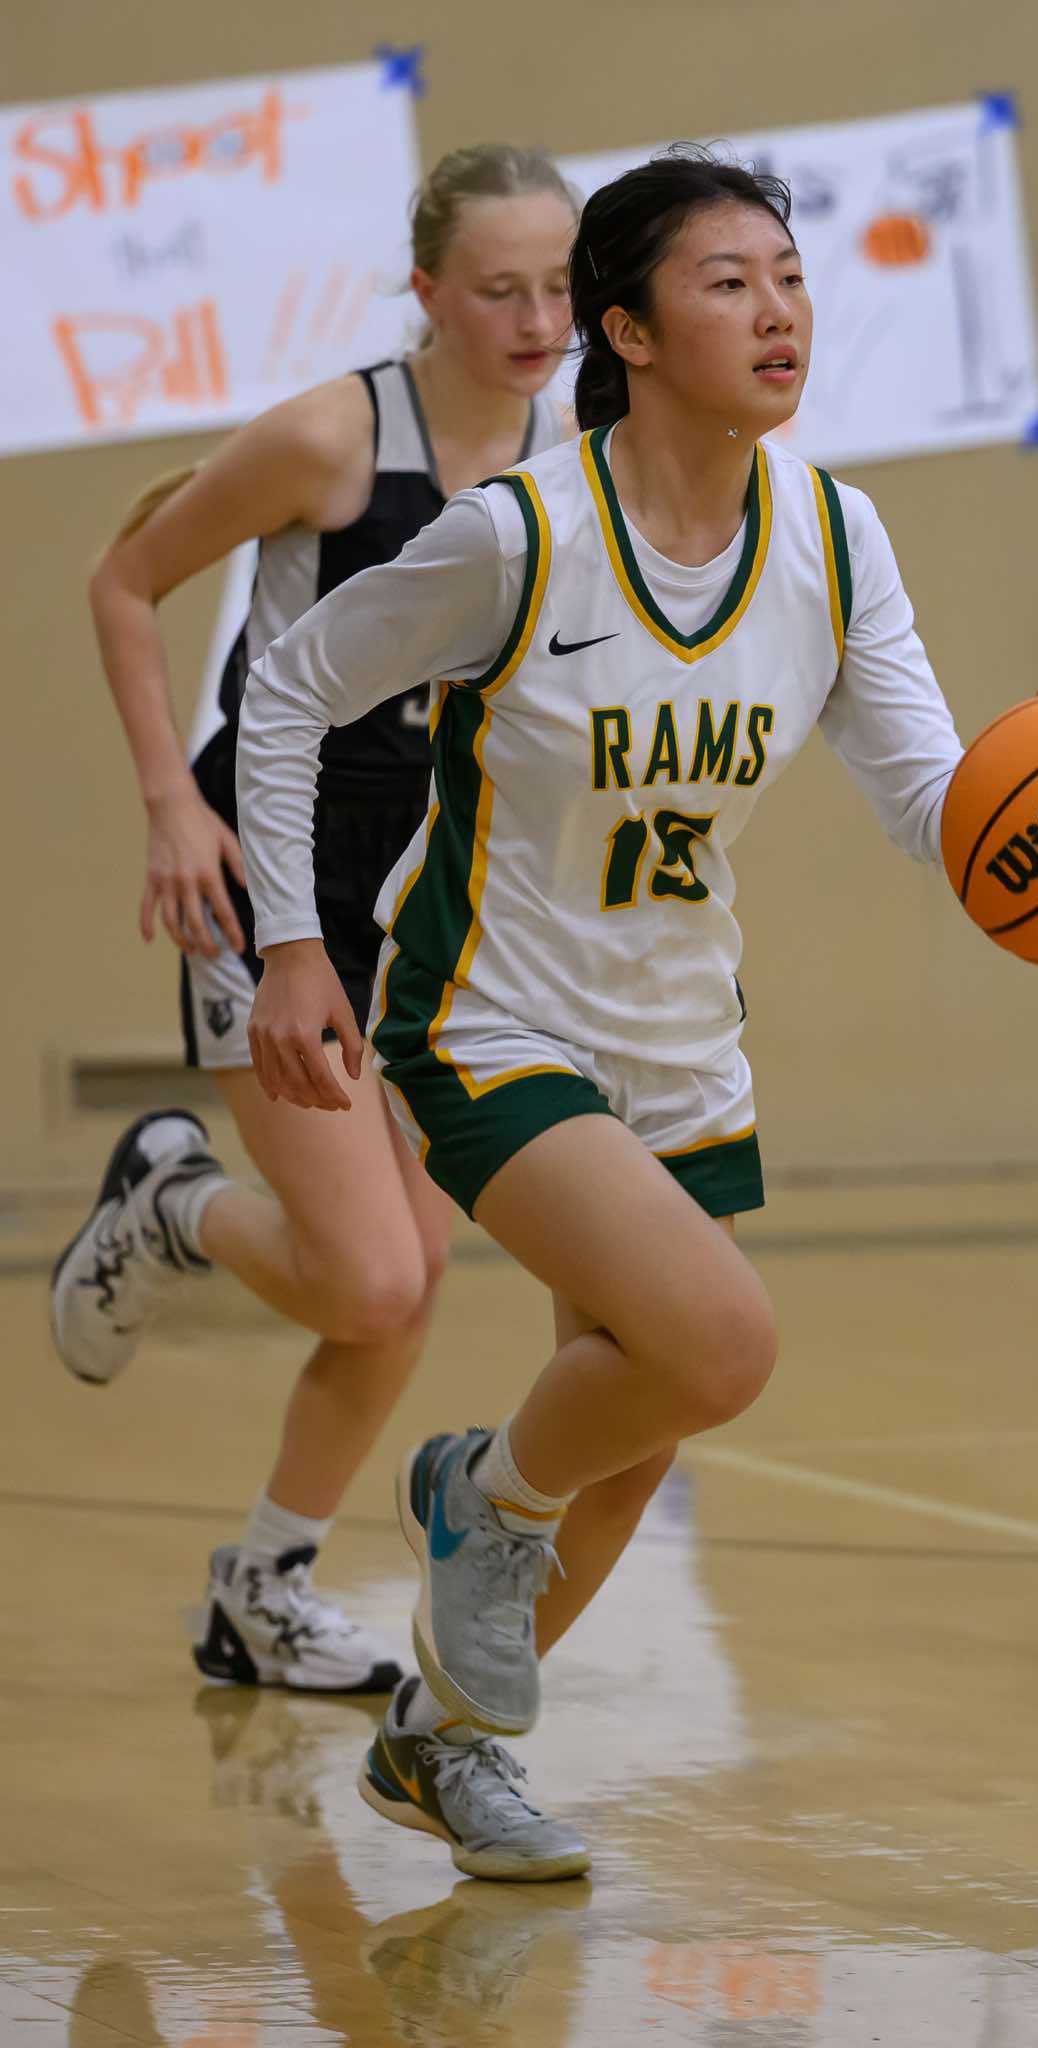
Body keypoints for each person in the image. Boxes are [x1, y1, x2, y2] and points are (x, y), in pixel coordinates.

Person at [235, 145, 1038, 1881]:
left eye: (791, 278)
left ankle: (444, 1747)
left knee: (631, 1428)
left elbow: (932, 803)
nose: (777, 311)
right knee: (717, 1346)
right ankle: (470, 1495)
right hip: (492, 1013)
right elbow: (291, 686)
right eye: (729, 282)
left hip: (679, 1038)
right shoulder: (521, 535)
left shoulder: (833, 534)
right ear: (629, 329)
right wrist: (294, 948)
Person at [49, 143, 578, 1698]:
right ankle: (168, 1206)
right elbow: (124, 580)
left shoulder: (572, 457)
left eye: (559, 288)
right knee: (370, 1282)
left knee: (410, 1280)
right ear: (427, 292)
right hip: (272, 884)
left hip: (423, 910)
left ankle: (263, 1589)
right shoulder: (333, 439)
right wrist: (170, 804)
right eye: (499, 289)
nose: (535, 320)